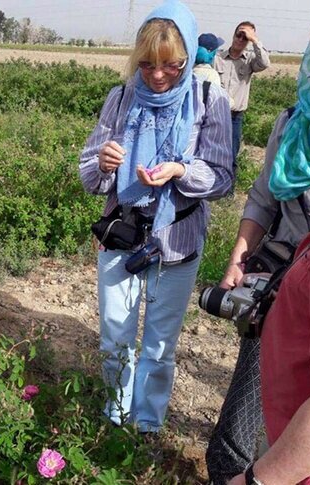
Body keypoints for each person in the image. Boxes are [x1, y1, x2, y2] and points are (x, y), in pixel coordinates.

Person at [206, 4, 310, 483]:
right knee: (246, 420)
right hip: (282, 287)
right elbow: (263, 198)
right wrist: (240, 256)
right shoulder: (294, 122)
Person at [80, 0, 232, 432]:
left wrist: (182, 171)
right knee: (114, 338)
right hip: (122, 234)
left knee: (160, 344)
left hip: (176, 238)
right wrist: (104, 164)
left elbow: (222, 178)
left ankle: (146, 423)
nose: (158, 75)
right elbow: (89, 173)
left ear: (186, 59)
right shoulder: (122, 98)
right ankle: (116, 416)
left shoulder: (208, 99)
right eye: (146, 65)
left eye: (171, 65)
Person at [214, 21, 270, 173]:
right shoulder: (218, 58)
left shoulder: (250, 60)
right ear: (233, 35)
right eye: (239, 35)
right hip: (215, 114)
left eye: (245, 37)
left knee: (232, 153)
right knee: (211, 150)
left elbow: (265, 63)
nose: (240, 39)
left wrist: (255, 40)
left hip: (234, 116)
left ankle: (228, 191)